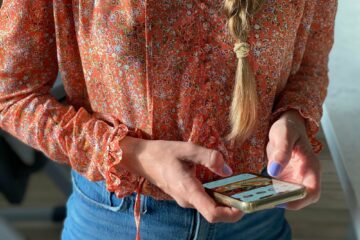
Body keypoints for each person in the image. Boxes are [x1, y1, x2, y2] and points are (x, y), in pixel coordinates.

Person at [0, 0, 337, 239]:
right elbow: (12, 95)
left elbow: (310, 66)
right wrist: (133, 154)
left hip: (256, 218)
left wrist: (292, 118)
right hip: (120, 222)